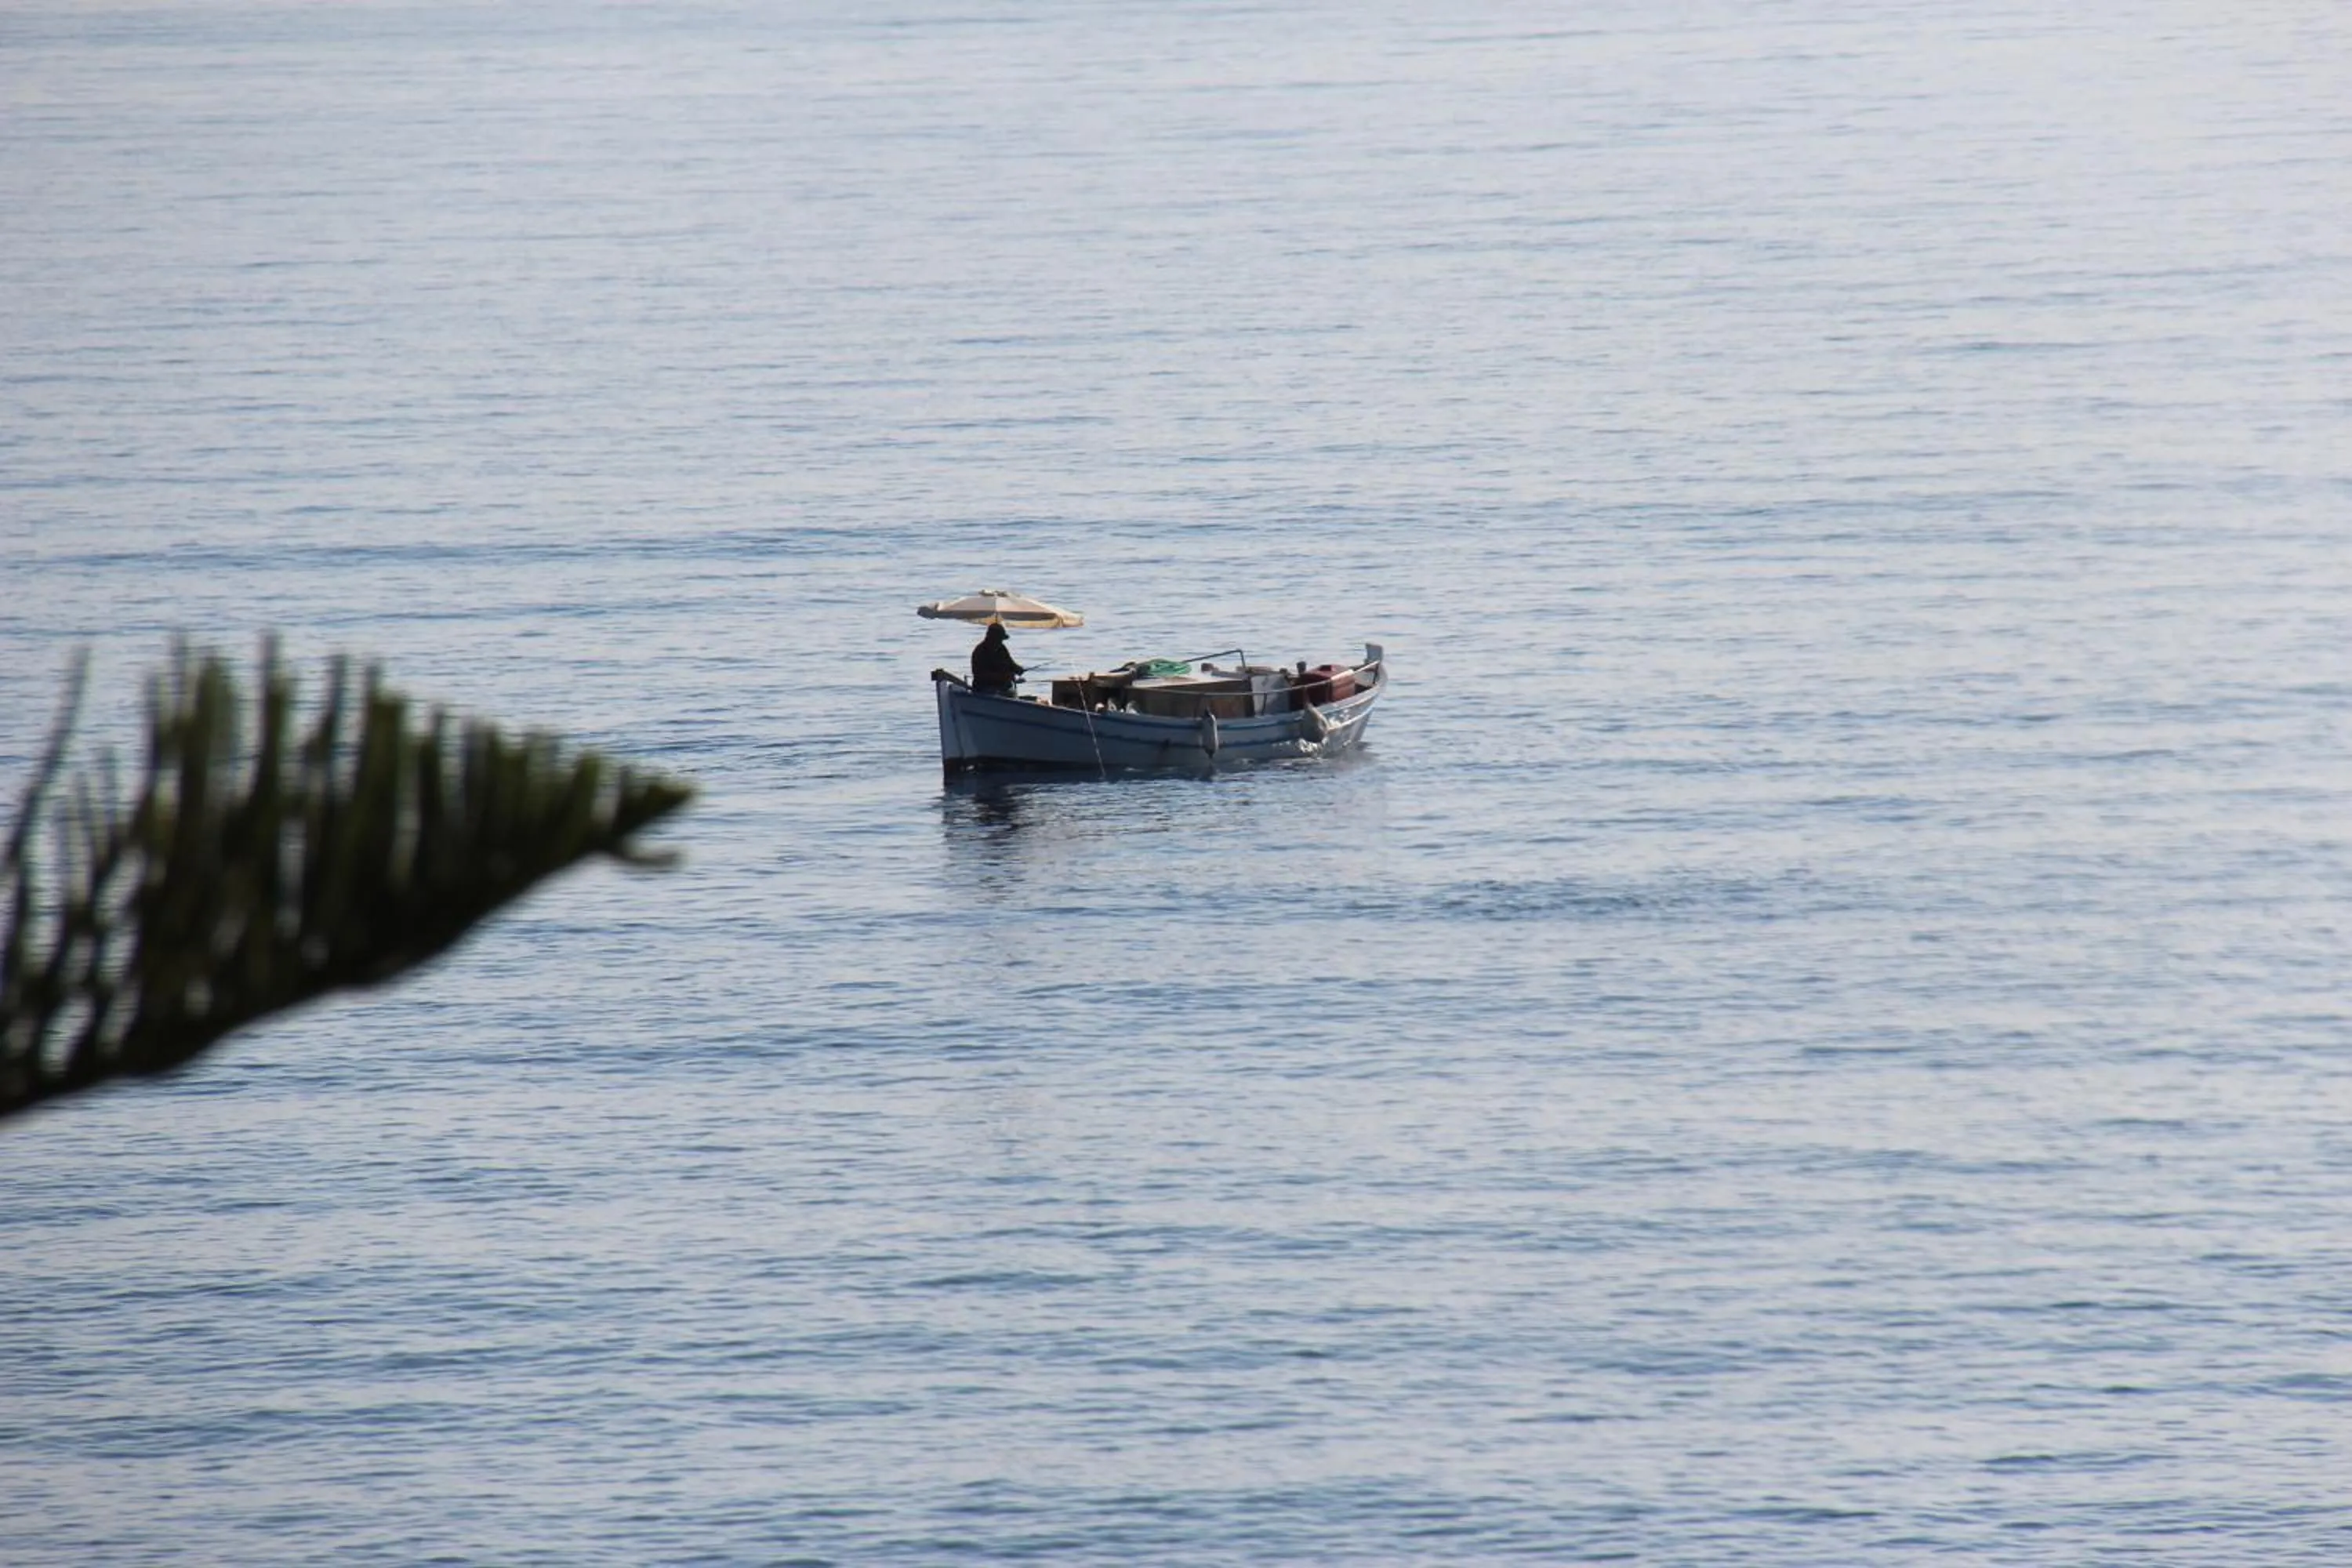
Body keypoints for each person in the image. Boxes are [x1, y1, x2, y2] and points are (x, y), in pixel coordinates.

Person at [970, 621, 1025, 695]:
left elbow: (1010, 663)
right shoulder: (979, 652)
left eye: (1001, 639)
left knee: (1011, 693)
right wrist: (1004, 676)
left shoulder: (1002, 648)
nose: (1000, 642)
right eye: (999, 639)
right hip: (984, 689)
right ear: (990, 638)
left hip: (1004, 688)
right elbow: (981, 675)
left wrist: (1018, 669)